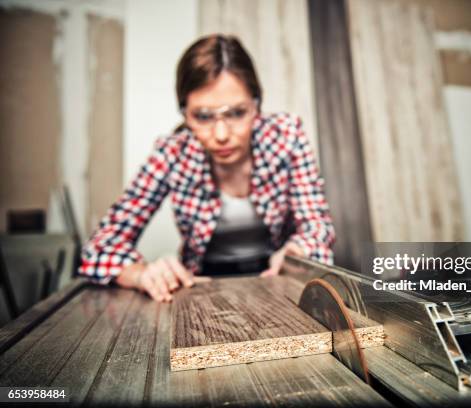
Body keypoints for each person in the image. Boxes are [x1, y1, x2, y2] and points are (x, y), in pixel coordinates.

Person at [79, 35, 335, 302]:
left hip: (279, 279)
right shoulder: (172, 152)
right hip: (200, 287)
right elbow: (99, 248)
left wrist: (297, 252)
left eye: (237, 113)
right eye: (202, 116)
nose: (222, 134)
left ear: (257, 105)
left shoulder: (287, 135)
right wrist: (142, 274)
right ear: (184, 113)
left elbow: (317, 227)